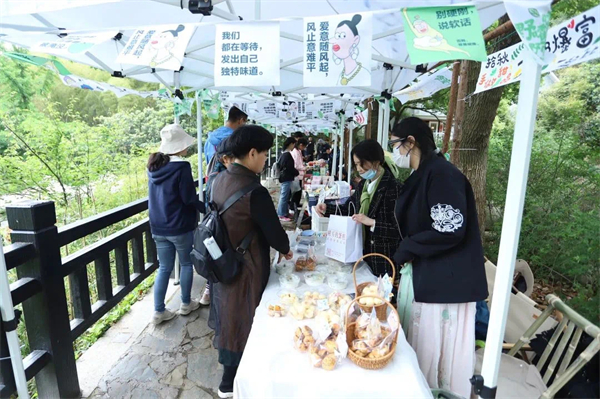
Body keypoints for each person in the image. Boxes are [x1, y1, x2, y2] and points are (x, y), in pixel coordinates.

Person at [390, 117, 488, 398]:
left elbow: (449, 229)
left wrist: (408, 247)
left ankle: (435, 392)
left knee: (435, 350)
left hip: (445, 282)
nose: (394, 152)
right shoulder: (423, 173)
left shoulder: (443, 174)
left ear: (411, 142)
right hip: (427, 271)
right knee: (423, 347)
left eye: (396, 144)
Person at [209, 125, 292, 398]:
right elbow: (275, 234)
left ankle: (228, 381)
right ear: (252, 153)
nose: (266, 159)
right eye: (265, 154)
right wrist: (287, 249)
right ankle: (234, 384)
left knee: (229, 315)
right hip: (247, 267)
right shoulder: (253, 191)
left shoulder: (218, 180)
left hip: (223, 263)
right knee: (244, 319)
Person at [315, 139, 402, 282]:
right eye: (356, 164)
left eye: (362, 163)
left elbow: (399, 230)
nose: (359, 168)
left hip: (384, 258)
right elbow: (350, 209)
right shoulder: (364, 184)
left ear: (377, 160)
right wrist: (327, 208)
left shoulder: (394, 188)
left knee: (379, 298)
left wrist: (372, 223)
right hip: (362, 254)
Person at [147, 124, 205, 325]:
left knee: (164, 267)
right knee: (186, 263)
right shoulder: (182, 166)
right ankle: (186, 304)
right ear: (179, 146)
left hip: (158, 226)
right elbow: (189, 198)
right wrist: (206, 208)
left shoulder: (154, 166)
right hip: (179, 225)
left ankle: (158, 311)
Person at [201, 138, 235, 306]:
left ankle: (212, 290)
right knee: (217, 257)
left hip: (217, 221)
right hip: (219, 224)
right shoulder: (221, 176)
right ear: (225, 159)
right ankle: (211, 290)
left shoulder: (214, 173)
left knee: (218, 257)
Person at [331, 14, 371, 86]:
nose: (336, 41)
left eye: (343, 36)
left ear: (355, 40)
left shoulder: (365, 74)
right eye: (337, 36)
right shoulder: (340, 75)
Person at [276, 137, 299, 222]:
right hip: (286, 177)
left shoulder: (283, 153)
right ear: (291, 144)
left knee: (285, 195)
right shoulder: (287, 155)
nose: (294, 146)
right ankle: (281, 214)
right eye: (293, 144)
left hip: (285, 177)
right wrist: (296, 172)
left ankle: (284, 212)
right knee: (284, 196)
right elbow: (290, 168)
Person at [290, 137, 308, 210]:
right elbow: (296, 165)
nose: (304, 148)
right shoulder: (295, 152)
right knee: (296, 192)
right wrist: (304, 168)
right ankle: (293, 207)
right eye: (304, 146)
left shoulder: (299, 151)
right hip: (296, 175)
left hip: (300, 174)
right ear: (300, 145)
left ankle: (296, 205)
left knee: (299, 192)